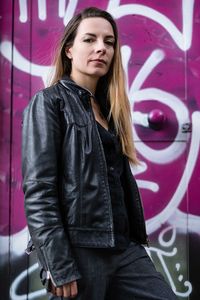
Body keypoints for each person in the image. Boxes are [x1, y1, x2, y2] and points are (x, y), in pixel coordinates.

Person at [22, 6, 177, 300]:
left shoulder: (109, 110)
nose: (100, 48)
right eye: (89, 40)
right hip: (80, 251)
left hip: (123, 248)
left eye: (108, 42)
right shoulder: (49, 103)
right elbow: (38, 189)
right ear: (69, 49)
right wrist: (58, 264)